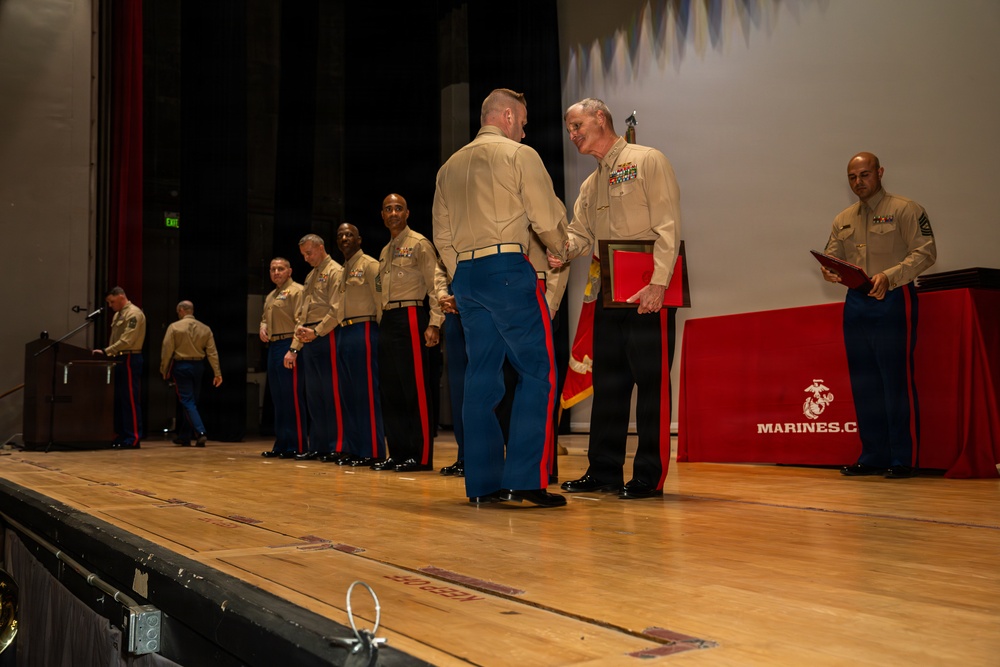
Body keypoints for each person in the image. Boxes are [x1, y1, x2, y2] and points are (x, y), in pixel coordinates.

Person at [433, 87, 569, 507]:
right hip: (508, 269)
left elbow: (442, 233)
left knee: (480, 378)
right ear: (508, 117)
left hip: (468, 277)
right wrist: (562, 249)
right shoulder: (518, 156)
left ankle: (483, 484)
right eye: (524, 123)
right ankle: (526, 480)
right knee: (537, 372)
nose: (525, 133)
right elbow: (545, 216)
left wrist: (462, 275)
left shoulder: (448, 167)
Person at [553, 97, 681, 500]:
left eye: (577, 126)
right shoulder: (590, 184)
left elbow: (667, 224)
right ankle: (603, 471)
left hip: (648, 290)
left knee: (651, 385)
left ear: (601, 118)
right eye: (569, 129)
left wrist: (660, 283)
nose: (572, 135)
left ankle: (648, 476)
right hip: (609, 292)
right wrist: (558, 248)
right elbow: (579, 235)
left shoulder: (647, 159)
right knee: (609, 384)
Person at [821, 151, 936, 479]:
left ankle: (902, 458)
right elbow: (832, 256)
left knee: (894, 380)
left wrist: (891, 275)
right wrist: (830, 271)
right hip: (856, 302)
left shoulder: (905, 209)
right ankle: (872, 454)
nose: (859, 182)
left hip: (894, 298)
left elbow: (926, 252)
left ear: (880, 172)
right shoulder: (842, 218)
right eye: (853, 177)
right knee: (864, 383)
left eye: (865, 175)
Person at [374, 193, 442, 473]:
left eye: (398, 208)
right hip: (388, 321)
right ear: (382, 215)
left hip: (412, 315)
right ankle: (399, 452)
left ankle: (421, 456)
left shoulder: (419, 244)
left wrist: (435, 322)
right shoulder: (384, 251)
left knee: (414, 389)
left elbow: (435, 283)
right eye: (388, 209)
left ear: (407, 213)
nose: (393, 213)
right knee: (391, 391)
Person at [283, 233, 344, 462]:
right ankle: (318, 445)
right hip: (308, 336)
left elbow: (337, 309)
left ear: (320, 247)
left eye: (309, 253)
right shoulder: (310, 275)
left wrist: (316, 331)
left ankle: (334, 446)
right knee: (314, 396)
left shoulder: (335, 271)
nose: (306, 258)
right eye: (303, 255)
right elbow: (302, 312)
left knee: (330, 394)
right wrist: (295, 345)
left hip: (326, 334)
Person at [331, 223, 386, 467]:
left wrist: (381, 335)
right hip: (344, 332)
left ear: (359, 239)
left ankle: (372, 450)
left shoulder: (370, 265)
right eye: (341, 235)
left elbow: (380, 301)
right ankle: (351, 448)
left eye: (349, 234)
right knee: (347, 395)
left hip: (364, 330)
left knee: (366, 394)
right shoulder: (342, 270)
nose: (344, 238)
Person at [259, 257, 307, 458]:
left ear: (289, 271)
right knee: (278, 398)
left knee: (292, 398)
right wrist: (262, 324)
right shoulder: (271, 295)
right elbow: (265, 317)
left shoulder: (298, 291)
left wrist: (294, 349)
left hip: (289, 344)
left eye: (280, 269)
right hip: (274, 346)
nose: (276, 272)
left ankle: (298, 445)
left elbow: (301, 321)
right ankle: (282, 444)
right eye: (272, 269)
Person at [160, 300, 223, 447]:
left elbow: (167, 350)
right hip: (199, 366)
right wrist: (217, 373)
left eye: (178, 312)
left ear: (181, 310)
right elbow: (212, 352)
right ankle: (184, 435)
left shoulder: (174, 327)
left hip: (182, 366)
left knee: (187, 401)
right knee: (192, 401)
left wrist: (164, 369)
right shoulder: (205, 329)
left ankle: (200, 432)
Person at [92, 286, 146, 449]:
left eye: (112, 301)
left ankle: (134, 437)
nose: (110, 305)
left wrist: (106, 351)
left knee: (129, 399)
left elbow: (127, 340)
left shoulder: (134, 314)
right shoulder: (118, 315)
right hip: (119, 358)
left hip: (130, 357)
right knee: (120, 400)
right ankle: (123, 435)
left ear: (121, 296)